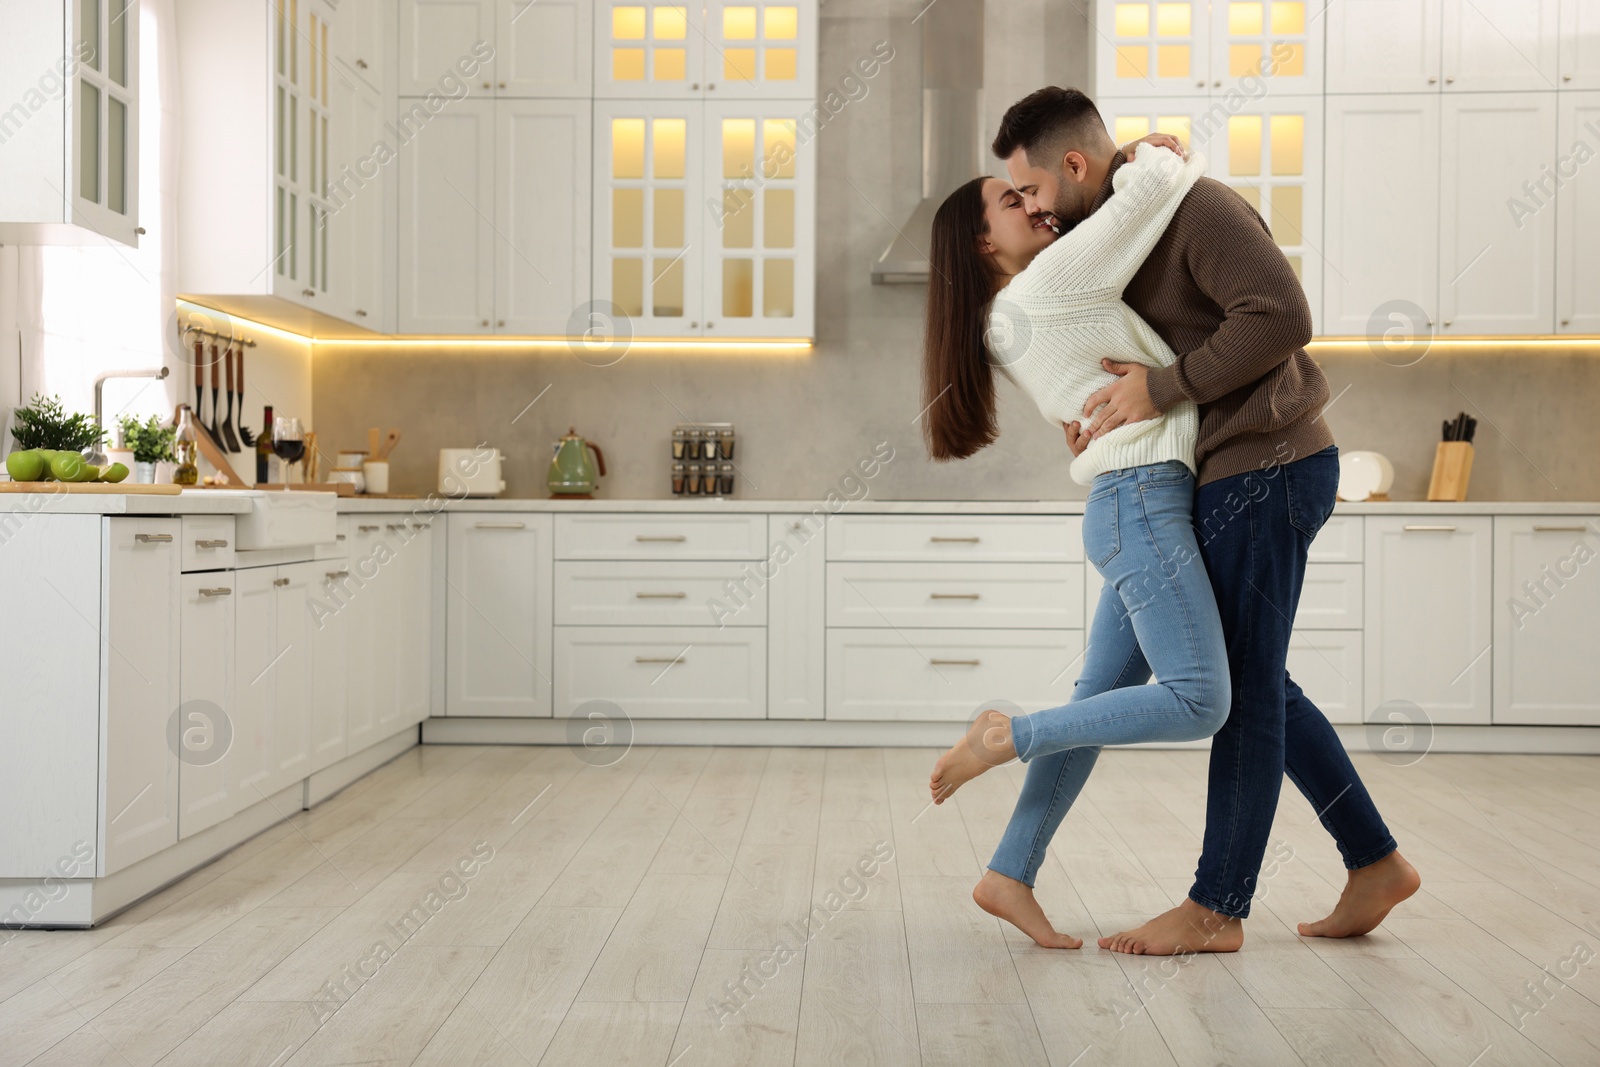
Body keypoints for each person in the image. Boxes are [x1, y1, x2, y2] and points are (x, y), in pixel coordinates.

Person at [993, 86, 1419, 954]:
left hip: (1268, 462)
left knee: (1244, 691)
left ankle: (1218, 907)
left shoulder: (1197, 206)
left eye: (1031, 189)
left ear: (1074, 165)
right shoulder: (1125, 225)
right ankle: (1374, 860)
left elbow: (1282, 316)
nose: (1030, 209)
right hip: (1225, 471)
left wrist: (1160, 386)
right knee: (1258, 680)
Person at [920, 134, 1231, 950]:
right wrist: (1137, 148)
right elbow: (1156, 185)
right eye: (1012, 200)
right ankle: (1007, 736)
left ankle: (1009, 870)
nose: (1037, 204)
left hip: (1131, 500)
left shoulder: (1007, 315)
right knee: (1202, 697)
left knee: (1099, 704)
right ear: (984, 243)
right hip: (1145, 500)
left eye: (1028, 190)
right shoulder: (1049, 284)